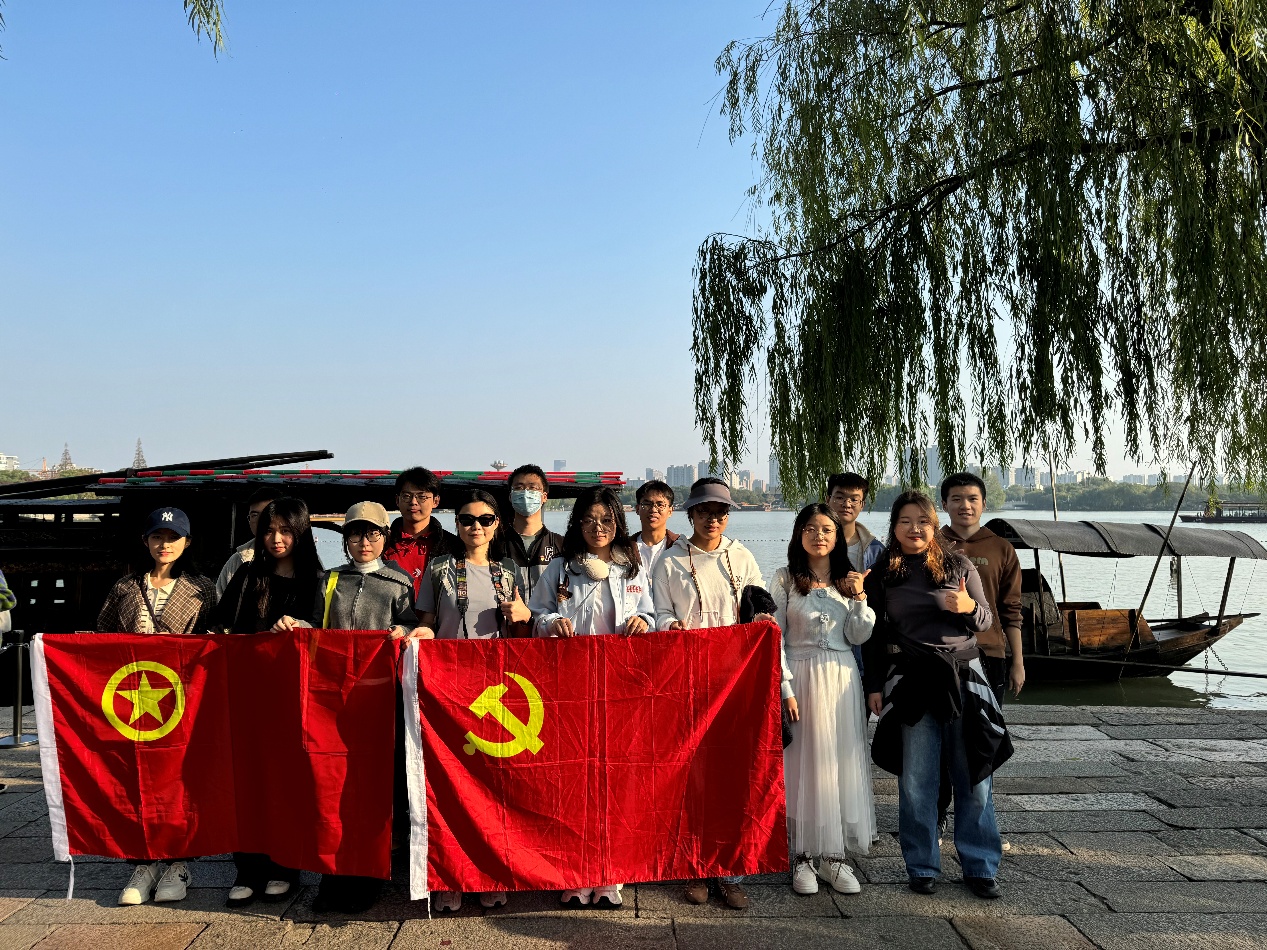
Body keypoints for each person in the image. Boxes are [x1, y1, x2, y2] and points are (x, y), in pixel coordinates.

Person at [862, 491, 1009, 901]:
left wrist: (966, 606)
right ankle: (922, 864)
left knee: (974, 775)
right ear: (894, 527)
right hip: (912, 679)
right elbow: (873, 635)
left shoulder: (958, 564)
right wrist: (874, 685)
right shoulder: (883, 573)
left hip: (964, 676)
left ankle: (980, 866)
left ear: (933, 525)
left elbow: (986, 620)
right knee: (916, 780)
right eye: (905, 521)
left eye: (922, 521)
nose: (914, 529)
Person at [529, 485, 655, 910]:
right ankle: (574, 872)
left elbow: (651, 613)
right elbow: (538, 614)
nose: (597, 527)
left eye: (605, 520)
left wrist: (644, 621)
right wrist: (551, 623)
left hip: (619, 689)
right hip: (570, 688)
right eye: (588, 520)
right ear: (576, 523)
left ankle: (609, 873)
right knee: (573, 780)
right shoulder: (560, 568)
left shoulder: (631, 568)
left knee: (614, 780)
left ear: (617, 522)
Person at [650, 477, 770, 910]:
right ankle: (695, 867)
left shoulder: (742, 557)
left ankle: (732, 871)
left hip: (735, 681)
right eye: (704, 511)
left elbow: (761, 610)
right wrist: (670, 625)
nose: (713, 519)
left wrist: (762, 627)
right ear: (691, 514)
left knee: (735, 777)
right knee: (693, 778)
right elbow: (659, 612)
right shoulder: (669, 562)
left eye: (720, 512)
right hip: (688, 681)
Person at [292, 501, 418, 914]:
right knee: (332, 785)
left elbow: (413, 628)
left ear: (385, 537)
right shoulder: (330, 579)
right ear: (345, 539)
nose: (364, 542)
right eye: (355, 534)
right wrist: (295, 626)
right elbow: (317, 628)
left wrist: (402, 631)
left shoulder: (398, 583)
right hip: (333, 699)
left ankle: (369, 873)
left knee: (375, 785)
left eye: (373, 534)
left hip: (381, 698)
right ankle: (333, 872)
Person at [96, 506, 217, 906]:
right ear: (145, 541)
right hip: (133, 699)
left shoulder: (202, 588)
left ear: (187, 542)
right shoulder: (126, 587)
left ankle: (179, 862)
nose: (165, 545)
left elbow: (215, 641)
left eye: (173, 538)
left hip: (181, 697)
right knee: (136, 777)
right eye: (157, 537)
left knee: (180, 777)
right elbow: (102, 637)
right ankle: (143, 861)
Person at [415, 489, 527, 913]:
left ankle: (491, 872)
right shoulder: (439, 567)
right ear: (457, 524)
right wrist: (421, 634)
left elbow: (522, 629)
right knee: (447, 785)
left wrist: (525, 616)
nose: (475, 527)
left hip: (495, 688)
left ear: (497, 524)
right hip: (447, 687)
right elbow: (429, 621)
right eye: (466, 519)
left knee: (493, 785)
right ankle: (451, 875)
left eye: (485, 519)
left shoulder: (509, 571)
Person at [209, 496, 321, 908]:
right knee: (247, 781)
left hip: (292, 698)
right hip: (247, 695)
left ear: (301, 533)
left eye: (286, 531)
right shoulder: (246, 575)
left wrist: (302, 628)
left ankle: (285, 865)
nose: (276, 539)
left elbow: (326, 632)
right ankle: (247, 867)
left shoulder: (317, 580)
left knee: (286, 782)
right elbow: (219, 627)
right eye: (270, 530)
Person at [773, 503, 876, 898]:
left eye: (827, 530)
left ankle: (834, 855)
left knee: (838, 762)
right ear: (799, 534)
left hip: (841, 677)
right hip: (800, 677)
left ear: (837, 537)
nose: (819, 536)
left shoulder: (848, 580)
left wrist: (860, 596)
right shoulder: (784, 579)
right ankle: (802, 856)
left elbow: (858, 635)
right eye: (811, 528)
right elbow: (774, 637)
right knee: (803, 765)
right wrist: (785, 687)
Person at [938, 472, 1025, 854]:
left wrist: (1018, 661)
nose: (965, 505)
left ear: (984, 504)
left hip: (990, 655)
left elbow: (1012, 610)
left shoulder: (1001, 548)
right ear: (945, 504)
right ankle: (938, 814)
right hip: (942, 657)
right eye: (956, 498)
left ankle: (978, 821)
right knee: (940, 740)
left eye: (972, 498)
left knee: (983, 742)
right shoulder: (932, 543)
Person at [383, 466, 457, 599]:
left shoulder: (452, 545)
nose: (413, 502)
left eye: (422, 497)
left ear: (435, 501)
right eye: (406, 496)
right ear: (397, 500)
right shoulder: (382, 543)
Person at [503, 464, 565, 604]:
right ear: (511, 496)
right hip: (508, 618)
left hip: (549, 617)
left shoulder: (561, 545)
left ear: (544, 497)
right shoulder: (496, 544)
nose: (526, 493)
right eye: (519, 488)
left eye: (533, 488)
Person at [216, 487, 284, 596]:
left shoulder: (298, 557)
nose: (260, 520)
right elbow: (221, 600)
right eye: (254, 515)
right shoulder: (238, 560)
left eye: (266, 513)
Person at [630, 480, 679, 596]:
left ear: (670, 511)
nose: (653, 510)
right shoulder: (624, 549)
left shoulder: (680, 546)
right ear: (637, 509)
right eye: (647, 504)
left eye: (660, 505)